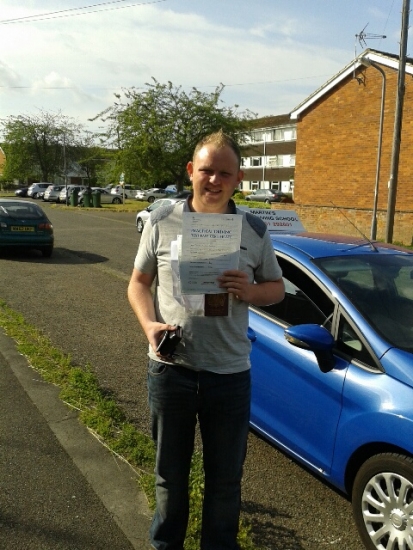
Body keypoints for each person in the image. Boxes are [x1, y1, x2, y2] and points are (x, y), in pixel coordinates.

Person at [127, 130, 285, 550]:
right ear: (190, 172)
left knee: (224, 483)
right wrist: (149, 326)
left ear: (237, 180)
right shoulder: (161, 221)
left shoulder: (252, 229)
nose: (214, 180)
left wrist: (250, 292)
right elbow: (138, 284)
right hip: (171, 370)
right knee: (169, 477)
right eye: (206, 171)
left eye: (224, 173)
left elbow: (277, 289)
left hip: (229, 376)